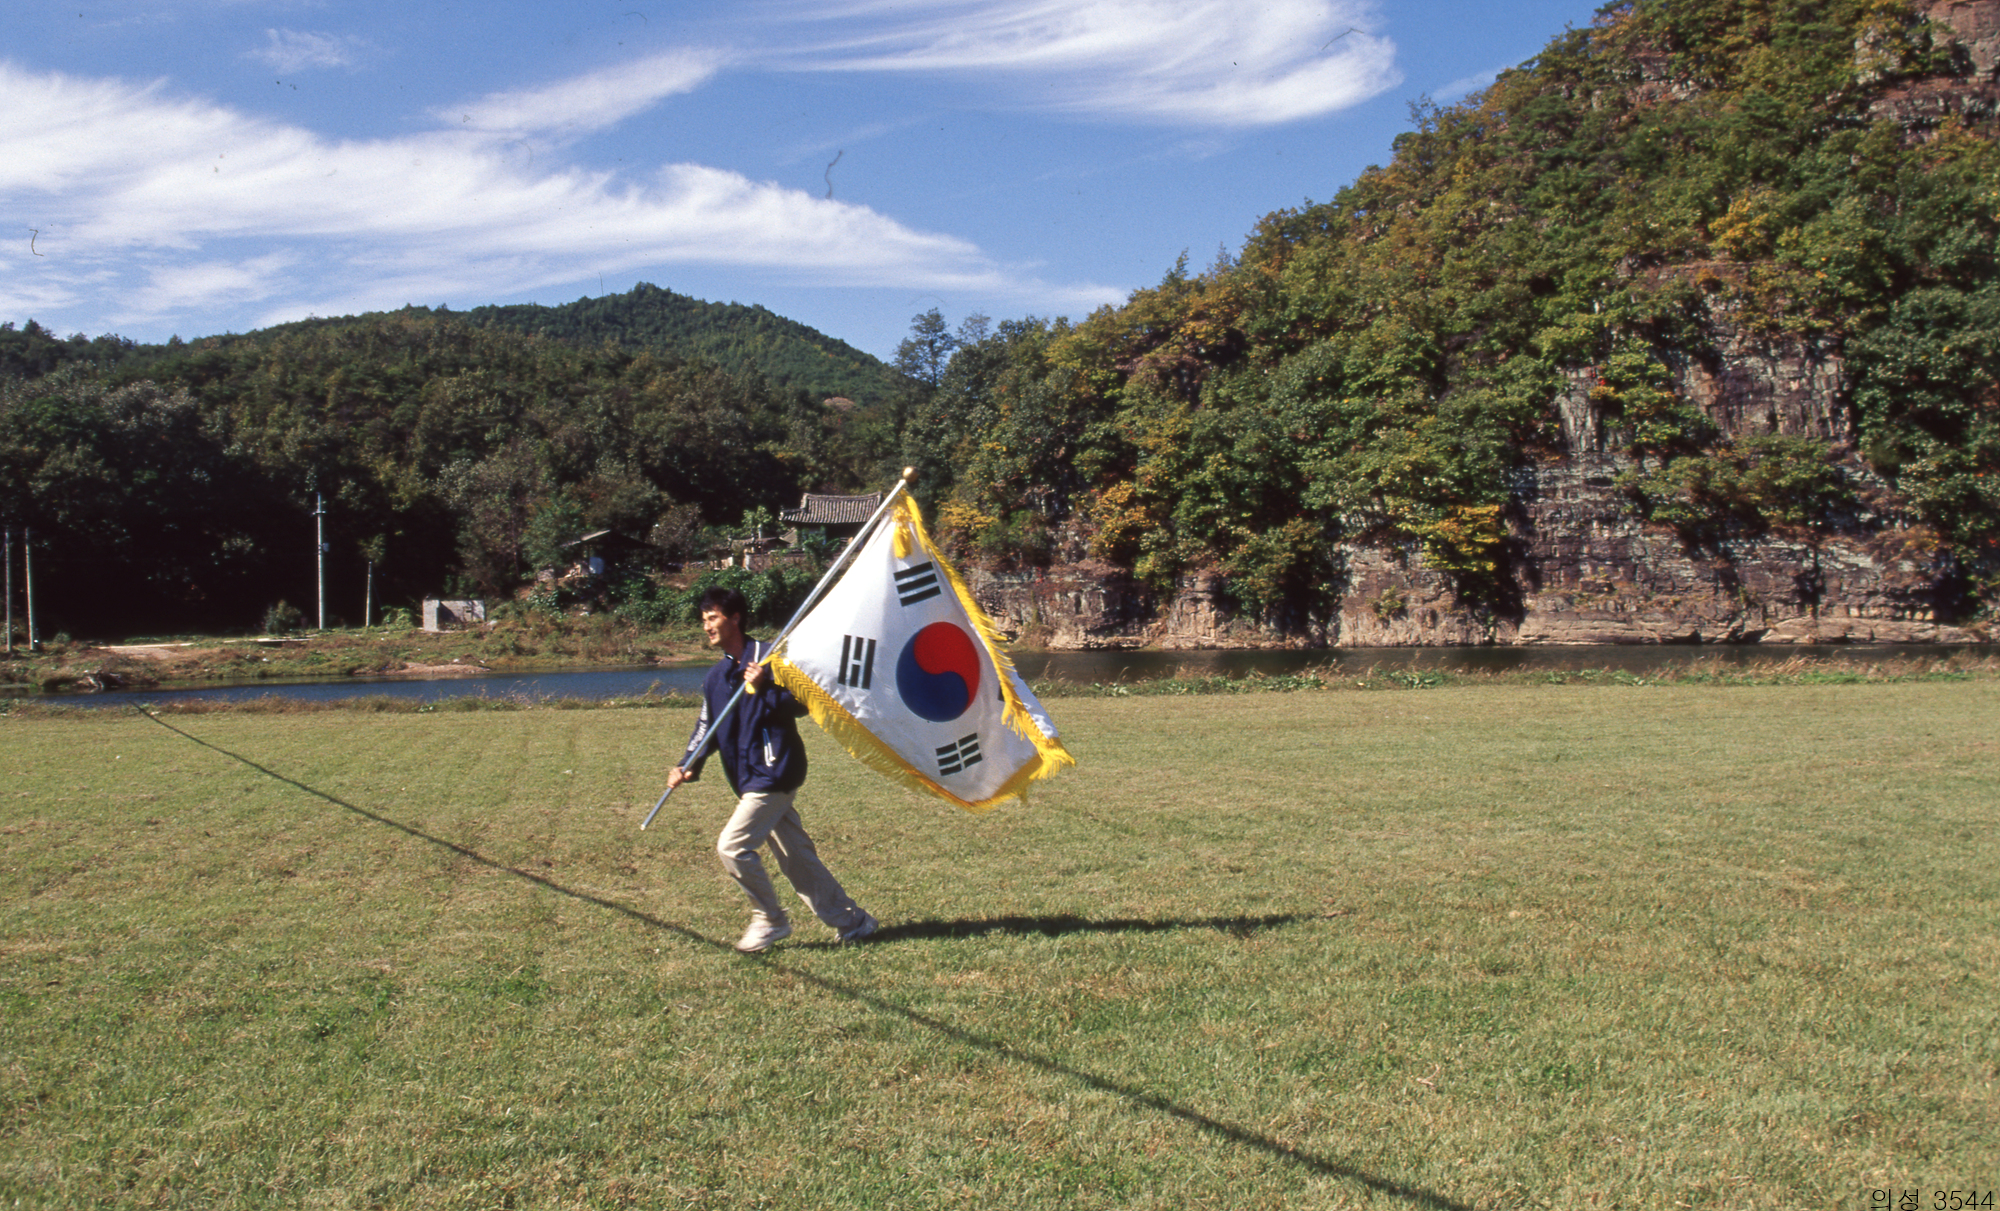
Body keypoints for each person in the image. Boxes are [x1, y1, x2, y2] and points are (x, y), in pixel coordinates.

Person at [666, 586, 879, 953]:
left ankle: (770, 920)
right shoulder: (717, 678)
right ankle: (854, 922)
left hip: (774, 771)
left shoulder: (772, 658)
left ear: (735, 618)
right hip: (747, 778)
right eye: (704, 620)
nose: (707, 627)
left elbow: (802, 703)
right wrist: (688, 764)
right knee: (797, 858)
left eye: (713, 618)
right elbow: (708, 726)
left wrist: (764, 686)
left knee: (732, 847)